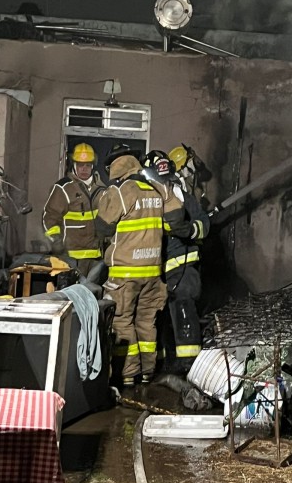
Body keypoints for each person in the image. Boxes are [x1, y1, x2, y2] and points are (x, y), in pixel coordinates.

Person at [95, 150, 192, 387]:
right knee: (147, 322)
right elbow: (177, 219)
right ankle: (147, 372)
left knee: (121, 321)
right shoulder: (158, 188)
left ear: (116, 170)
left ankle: (127, 374)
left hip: (124, 274)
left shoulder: (121, 191)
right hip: (153, 273)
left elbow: (103, 228)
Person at [142, 150, 210, 375]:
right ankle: (161, 365)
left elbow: (202, 222)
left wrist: (189, 230)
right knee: (157, 318)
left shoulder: (181, 195)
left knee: (183, 310)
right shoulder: (146, 197)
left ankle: (190, 367)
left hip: (183, 268)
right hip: (154, 270)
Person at [42, 142, 107, 279]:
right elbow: (50, 217)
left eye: (88, 165)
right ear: (74, 165)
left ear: (93, 166)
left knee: (92, 290)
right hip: (71, 257)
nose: (84, 169)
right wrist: (56, 242)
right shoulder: (63, 188)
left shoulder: (101, 189)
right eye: (80, 165)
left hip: (96, 257)